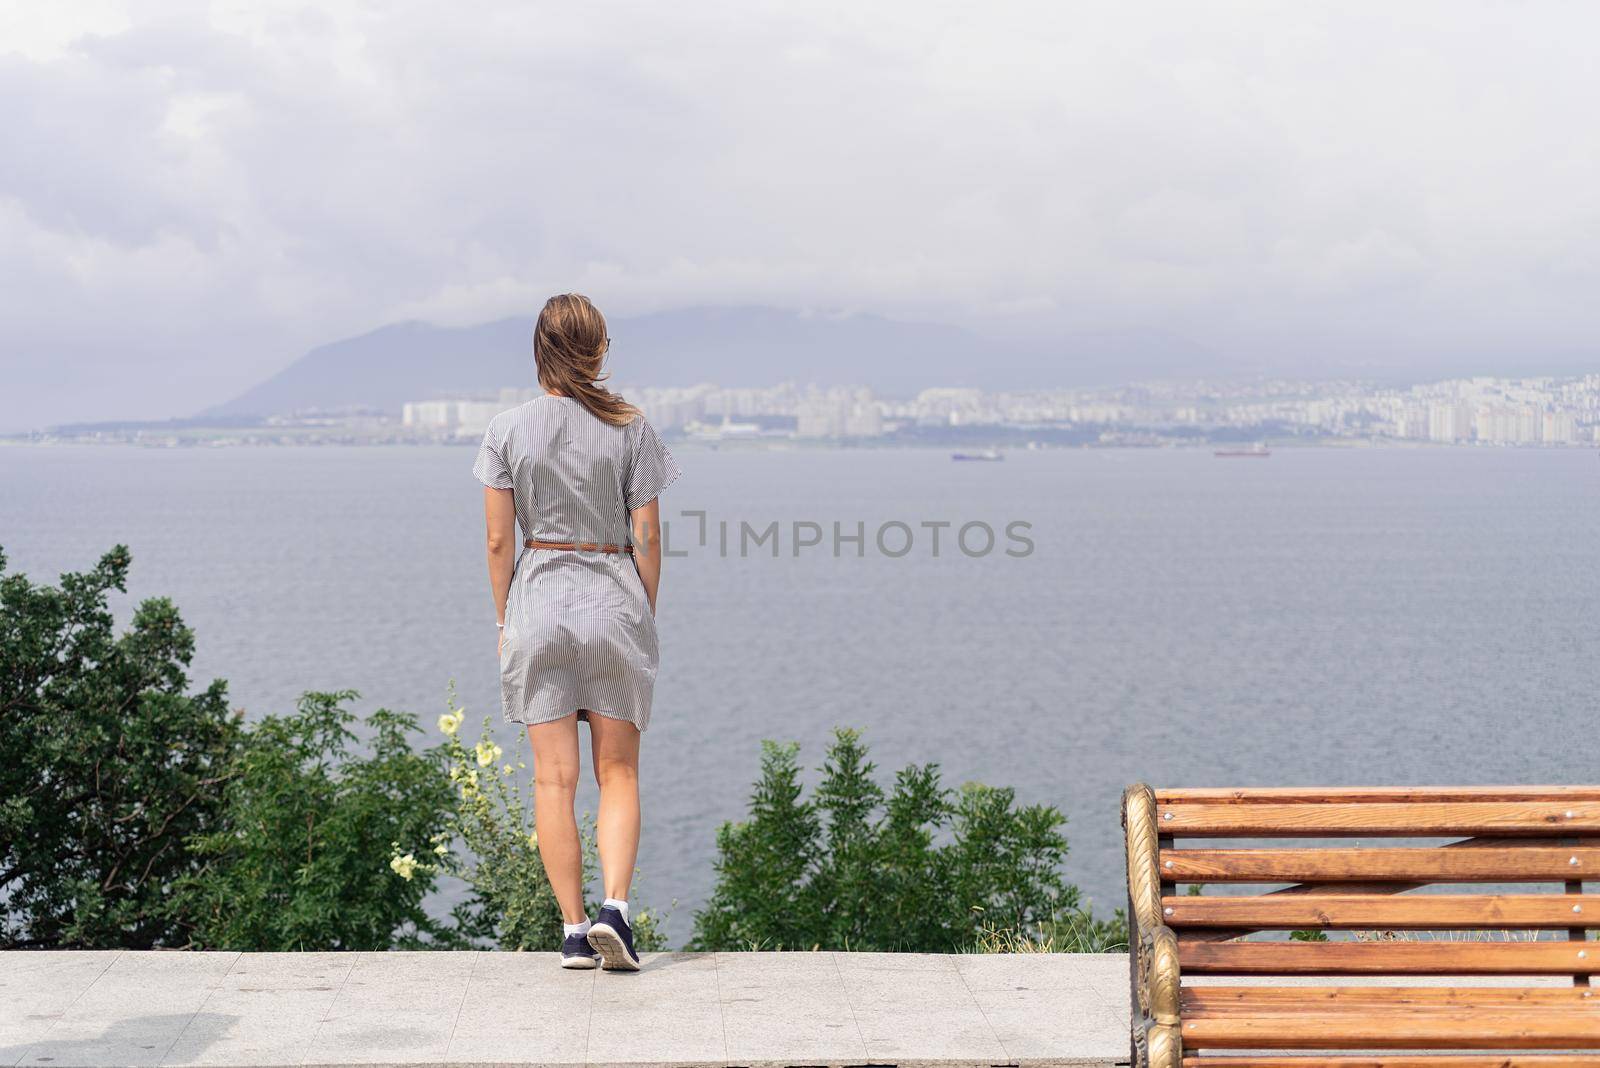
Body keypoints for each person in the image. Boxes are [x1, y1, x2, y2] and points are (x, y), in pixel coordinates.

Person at [473, 293, 681, 971]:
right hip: (612, 596)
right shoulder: (633, 428)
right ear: (598, 351)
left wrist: (505, 618)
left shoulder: (506, 430)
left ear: (539, 351)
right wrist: (641, 612)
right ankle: (615, 911)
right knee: (617, 771)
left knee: (552, 782)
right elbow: (647, 537)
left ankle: (570, 930)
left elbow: (499, 539)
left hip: (537, 605)